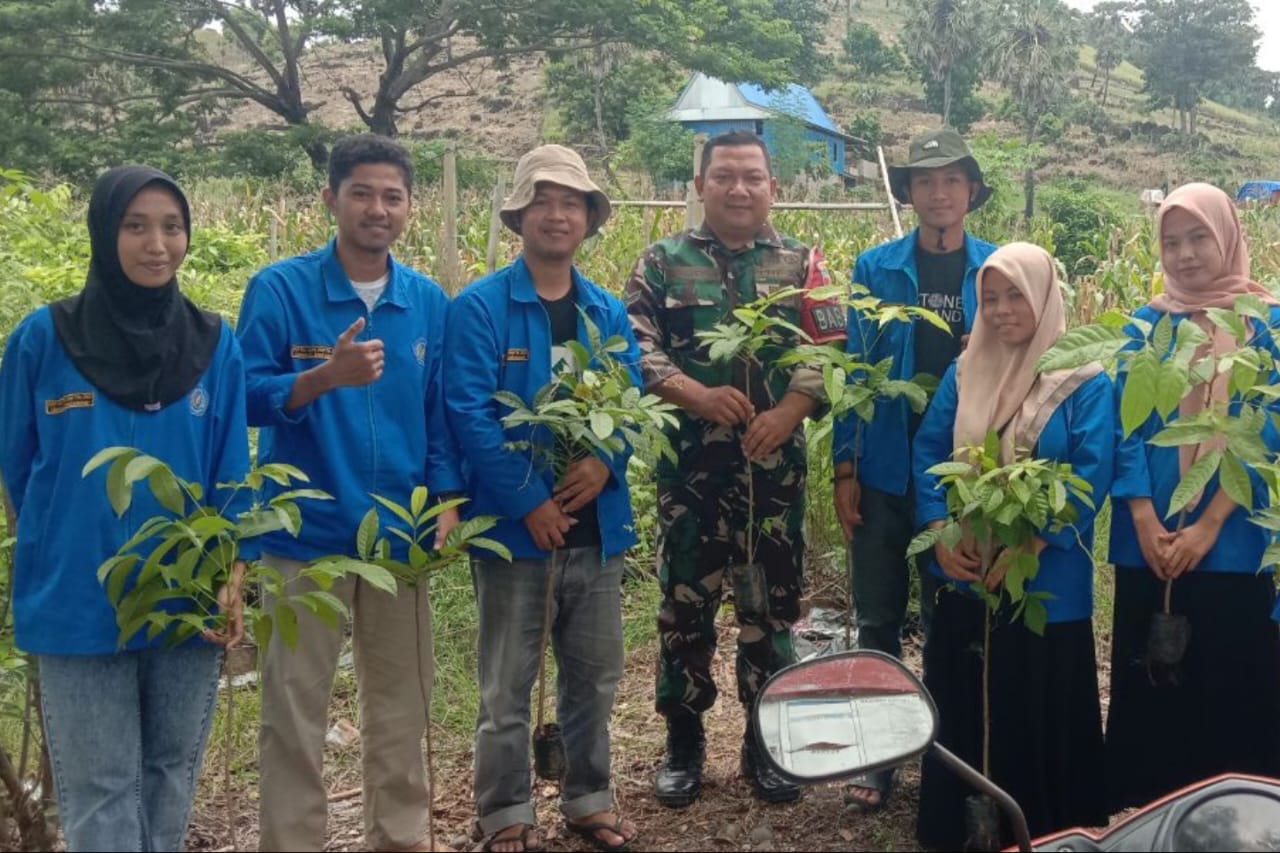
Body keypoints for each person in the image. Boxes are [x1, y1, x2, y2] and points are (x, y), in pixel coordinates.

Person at [0, 165, 252, 851]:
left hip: (186, 596)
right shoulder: (42, 339)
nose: (156, 244)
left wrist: (231, 575)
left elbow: (231, 473)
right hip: (77, 600)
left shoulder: (212, 342)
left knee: (170, 773)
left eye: (172, 226)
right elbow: (17, 467)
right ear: (103, 231)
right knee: (101, 789)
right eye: (135, 225)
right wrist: (64, 540)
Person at [236, 134, 462, 853]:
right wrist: (320, 378)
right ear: (330, 199)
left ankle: (400, 839)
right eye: (361, 192)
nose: (377, 208)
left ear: (409, 209)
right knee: (293, 713)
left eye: (392, 196)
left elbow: (439, 413)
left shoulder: (426, 300)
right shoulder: (281, 290)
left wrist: (447, 498)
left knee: (402, 709)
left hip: (399, 537)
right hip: (304, 535)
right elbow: (243, 394)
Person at [626, 130, 842, 808]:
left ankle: (766, 740)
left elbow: (829, 346)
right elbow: (635, 344)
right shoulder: (662, 262)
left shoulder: (805, 262)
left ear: (773, 187)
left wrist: (791, 410)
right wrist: (698, 394)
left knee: (772, 612)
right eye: (724, 176)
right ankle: (684, 740)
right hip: (690, 477)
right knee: (684, 611)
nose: (739, 188)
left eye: (753, 176)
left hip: (771, 479)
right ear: (701, 185)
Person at [445, 145, 640, 853]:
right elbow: (467, 411)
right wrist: (529, 499)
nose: (558, 215)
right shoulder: (480, 308)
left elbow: (628, 398)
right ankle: (505, 810)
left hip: (596, 531)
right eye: (544, 201)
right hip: (515, 534)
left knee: (594, 679)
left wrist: (602, 460)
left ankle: (590, 796)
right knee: (506, 683)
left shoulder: (605, 310)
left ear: (588, 219)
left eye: (572, 203)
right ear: (521, 214)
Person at [912, 242, 1114, 847]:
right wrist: (941, 540)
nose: (1001, 311)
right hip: (967, 571)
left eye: (1015, 296)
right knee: (966, 696)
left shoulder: (1083, 380)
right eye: (989, 298)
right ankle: (961, 826)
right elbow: (928, 453)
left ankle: (1046, 829)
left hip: (1045, 584)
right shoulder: (965, 369)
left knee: (1035, 703)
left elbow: (1091, 473)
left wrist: (1032, 541)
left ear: (1045, 296)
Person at [831, 127, 998, 810]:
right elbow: (857, 372)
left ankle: (941, 752)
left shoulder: (996, 270)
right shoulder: (877, 268)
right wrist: (845, 467)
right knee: (877, 618)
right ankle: (877, 757)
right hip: (884, 468)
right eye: (925, 181)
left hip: (960, 474)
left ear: (971, 193)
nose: (938, 192)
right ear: (910, 193)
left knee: (946, 617)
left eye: (951, 180)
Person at [1105, 182, 1280, 812]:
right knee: (1155, 685)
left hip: (1235, 543)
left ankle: (1238, 821)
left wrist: (1209, 523)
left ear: (1229, 236)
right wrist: (1145, 514)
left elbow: (1270, 426)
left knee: (1234, 683)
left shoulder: (1268, 326)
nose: (1183, 254)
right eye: (1170, 242)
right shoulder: (1145, 327)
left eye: (1199, 237)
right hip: (1147, 541)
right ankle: (1154, 819)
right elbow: (1121, 426)